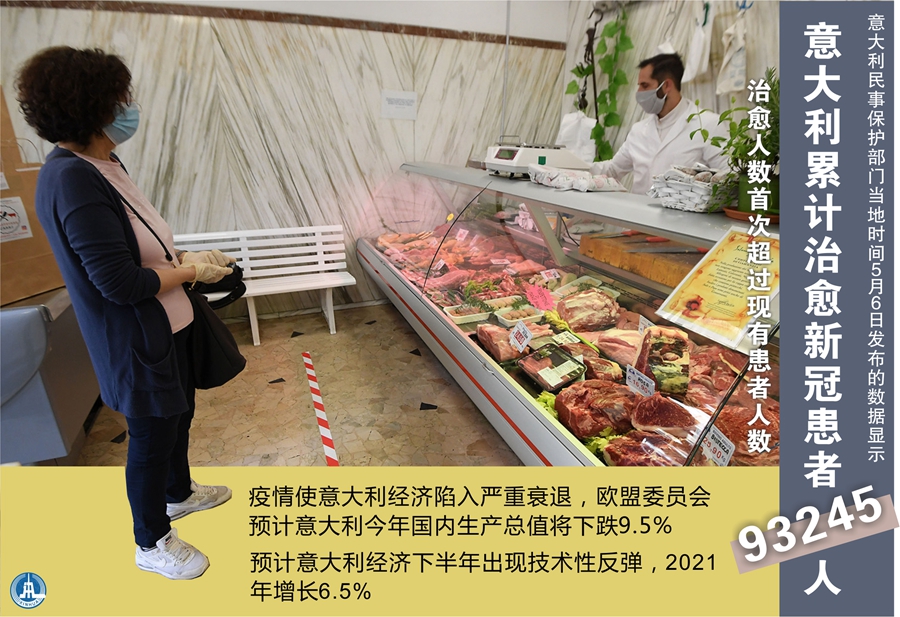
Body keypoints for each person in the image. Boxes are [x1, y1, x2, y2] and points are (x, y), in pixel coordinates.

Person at [17, 47, 234, 580]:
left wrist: (182, 260)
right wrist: (192, 272)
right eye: (121, 98)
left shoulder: (106, 163)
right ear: (92, 106)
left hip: (170, 325)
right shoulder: (71, 178)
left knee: (178, 415)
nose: (129, 107)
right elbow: (117, 283)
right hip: (136, 338)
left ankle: (178, 493)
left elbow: (136, 247)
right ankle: (151, 541)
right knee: (152, 435)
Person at [591, 53, 728, 195]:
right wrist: (578, 167)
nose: (639, 93)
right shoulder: (639, 130)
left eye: (645, 86)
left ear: (667, 85)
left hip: (685, 210)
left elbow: (728, 178)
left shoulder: (709, 125)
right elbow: (612, 170)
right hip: (636, 209)